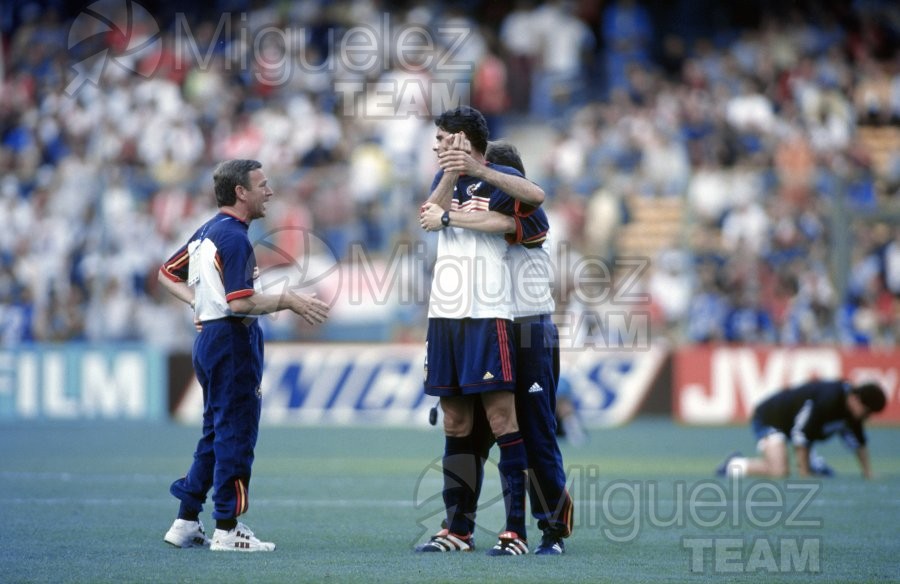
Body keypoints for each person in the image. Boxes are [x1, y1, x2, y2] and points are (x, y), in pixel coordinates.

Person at [158, 159, 329, 552]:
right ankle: (227, 527)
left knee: (215, 431)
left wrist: (199, 304)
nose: (269, 192)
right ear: (241, 192)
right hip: (231, 341)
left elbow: (167, 274)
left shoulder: (206, 231)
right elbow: (240, 302)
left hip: (210, 339)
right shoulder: (234, 238)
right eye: (262, 185)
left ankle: (186, 520)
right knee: (235, 430)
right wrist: (287, 299)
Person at [421, 140, 573, 555]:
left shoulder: (527, 211)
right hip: (486, 327)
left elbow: (510, 223)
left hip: (529, 330)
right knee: (471, 434)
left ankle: (552, 529)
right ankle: (458, 526)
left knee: (534, 430)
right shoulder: (473, 218)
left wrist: (455, 213)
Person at [717, 381, 887, 479]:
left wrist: (867, 472)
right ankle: (733, 465)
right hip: (771, 419)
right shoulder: (829, 399)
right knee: (779, 471)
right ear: (856, 400)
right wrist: (805, 474)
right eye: (867, 412)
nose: (867, 417)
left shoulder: (851, 411)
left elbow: (858, 442)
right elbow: (801, 434)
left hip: (793, 426)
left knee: (805, 464)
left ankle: (815, 464)